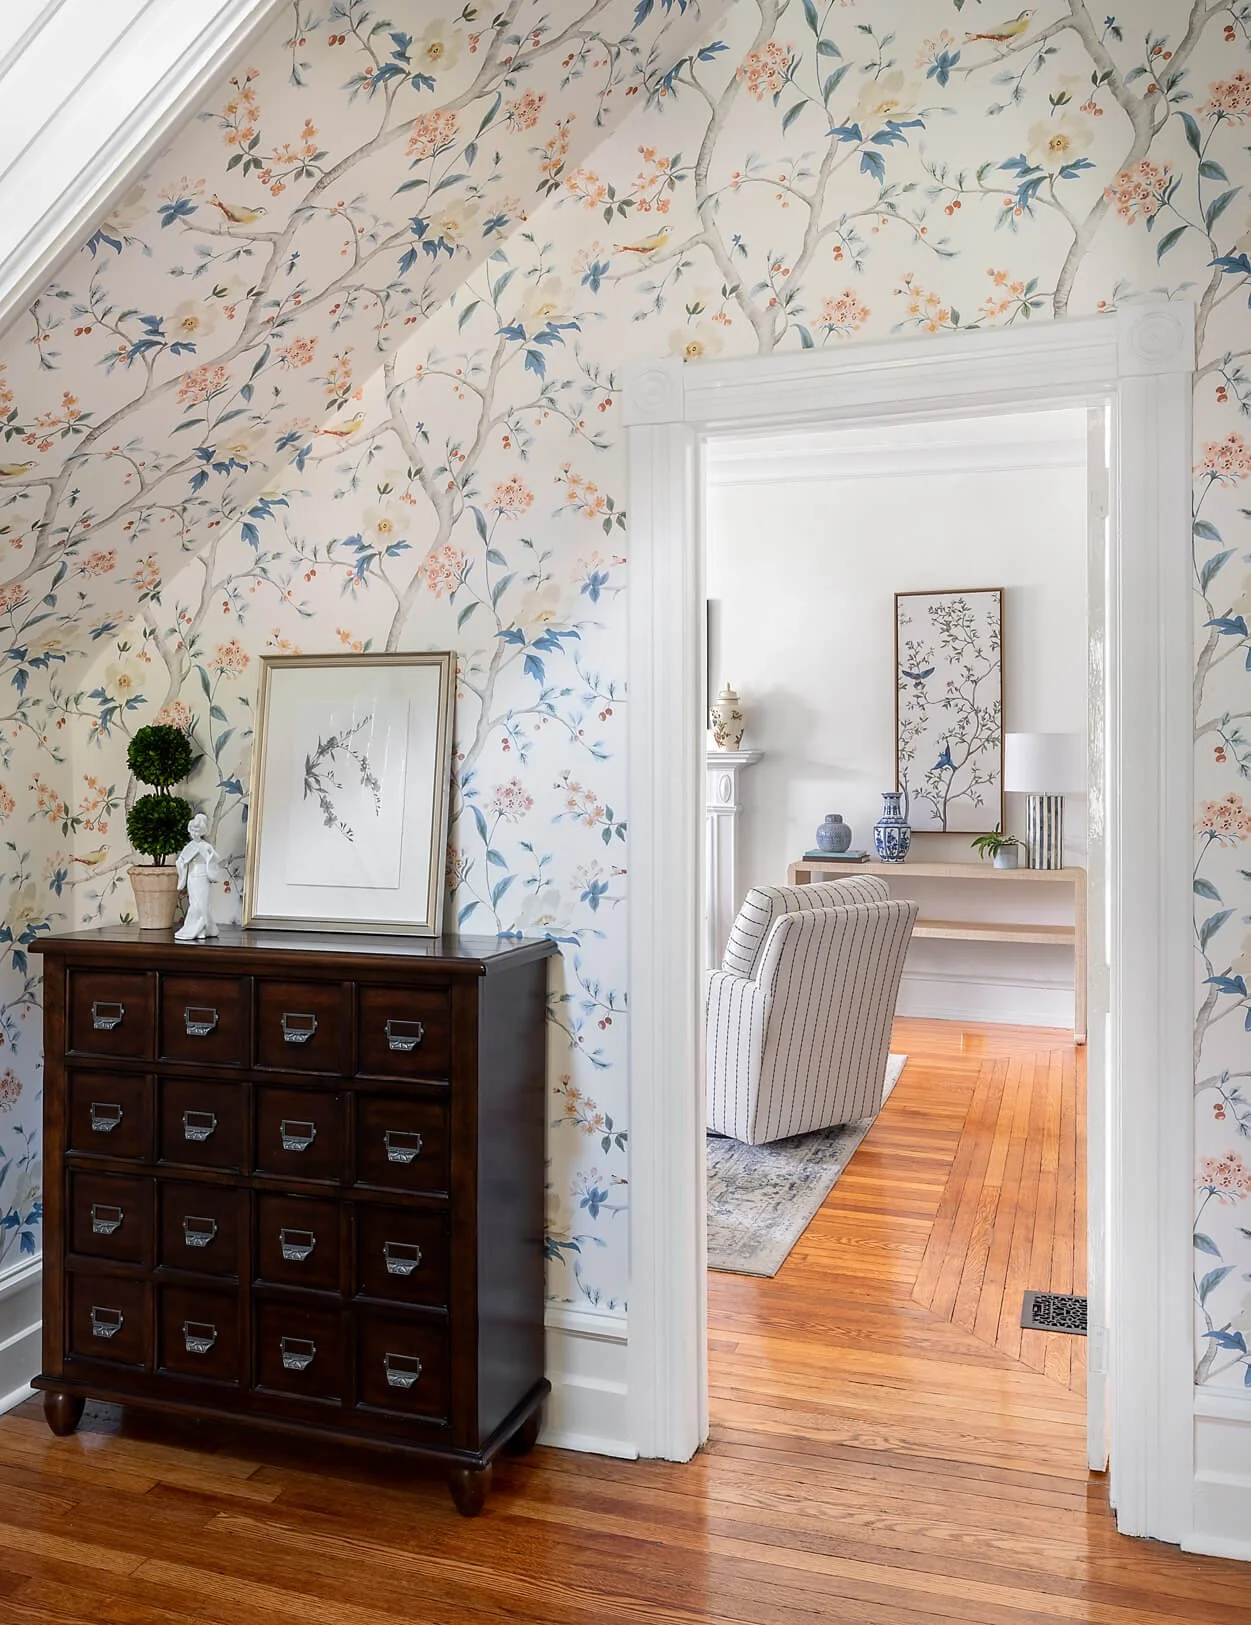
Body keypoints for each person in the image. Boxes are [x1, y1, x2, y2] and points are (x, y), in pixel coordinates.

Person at [174, 813, 221, 941]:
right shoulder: (189, 846)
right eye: (193, 830)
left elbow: (215, 858)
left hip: (202, 876)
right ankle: (203, 928)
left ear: (202, 831)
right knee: (194, 902)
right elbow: (180, 861)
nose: (195, 833)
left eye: (197, 830)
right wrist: (182, 863)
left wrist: (209, 856)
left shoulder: (205, 846)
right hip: (191, 876)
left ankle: (200, 928)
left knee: (202, 904)